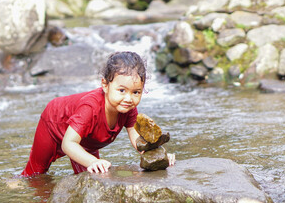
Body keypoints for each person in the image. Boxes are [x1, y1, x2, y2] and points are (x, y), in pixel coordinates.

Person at [21, 51, 175, 176]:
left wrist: (158, 157)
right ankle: (15, 183)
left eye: (136, 92)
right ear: (105, 85)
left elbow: (137, 140)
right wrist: (92, 161)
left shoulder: (128, 108)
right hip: (54, 123)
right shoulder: (90, 108)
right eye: (122, 90)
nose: (128, 98)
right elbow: (68, 143)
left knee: (93, 177)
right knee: (36, 174)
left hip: (87, 139)